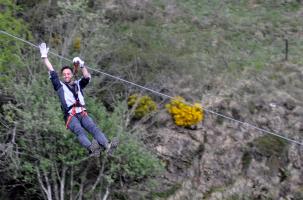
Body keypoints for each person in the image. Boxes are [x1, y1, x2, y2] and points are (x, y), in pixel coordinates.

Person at [39, 43, 118, 157]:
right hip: (70, 116)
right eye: (64, 74)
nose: (66, 76)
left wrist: (82, 65)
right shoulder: (59, 86)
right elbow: (52, 71)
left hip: (82, 113)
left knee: (94, 128)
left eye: (68, 74)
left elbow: (87, 77)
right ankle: (92, 149)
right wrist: (44, 57)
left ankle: (107, 146)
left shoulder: (78, 84)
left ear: (71, 75)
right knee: (79, 131)